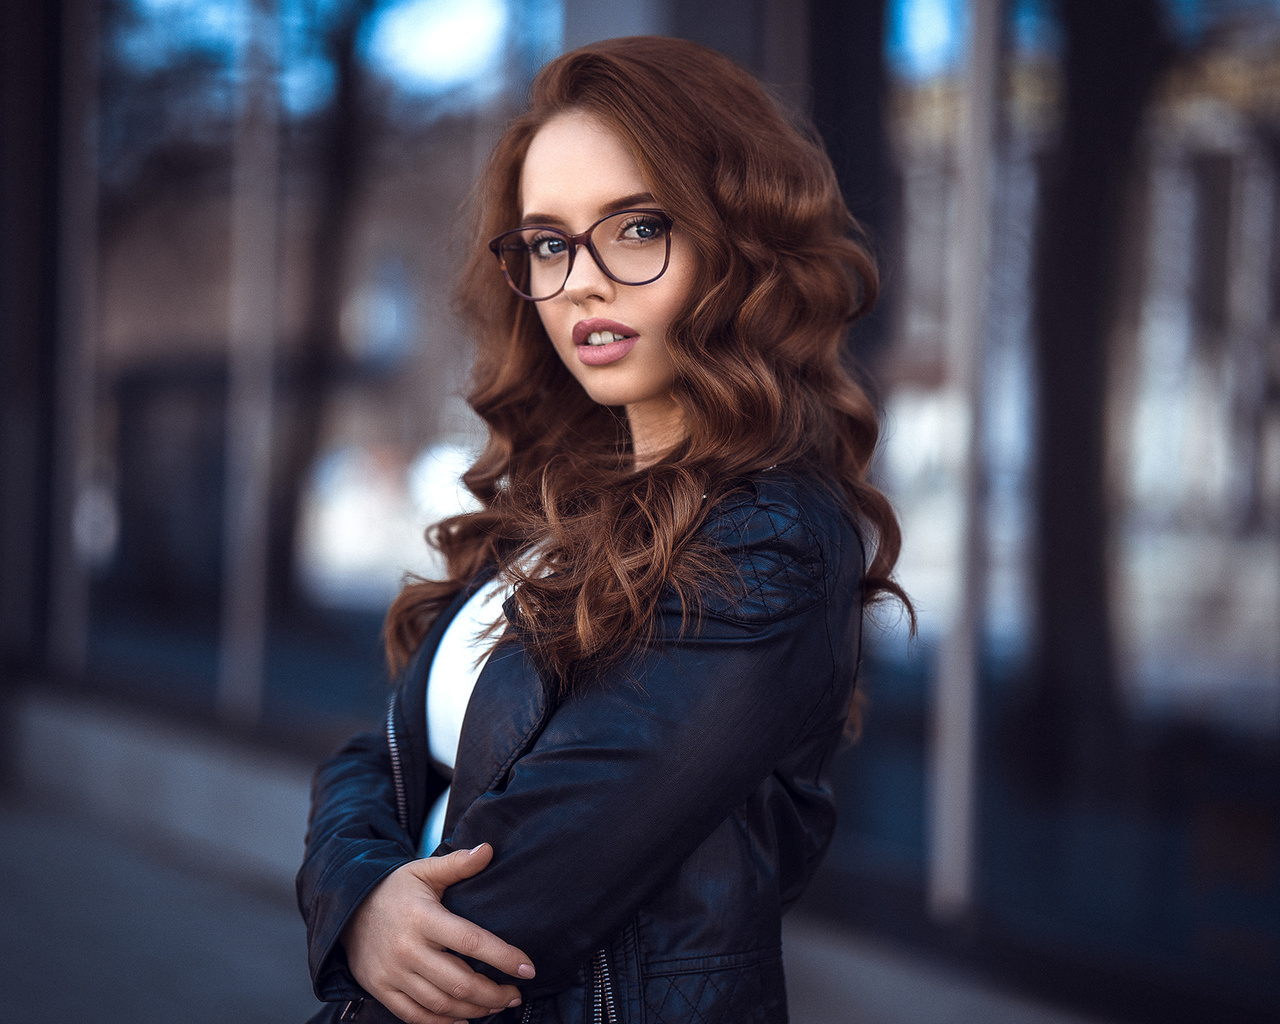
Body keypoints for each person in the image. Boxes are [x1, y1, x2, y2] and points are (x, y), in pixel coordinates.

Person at [297, 35, 910, 1024]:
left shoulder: (770, 537)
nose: (579, 281)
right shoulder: (551, 506)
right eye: (547, 242)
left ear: (735, 242)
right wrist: (356, 897)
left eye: (634, 228)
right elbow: (372, 757)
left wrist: (363, 924)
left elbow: (511, 903)